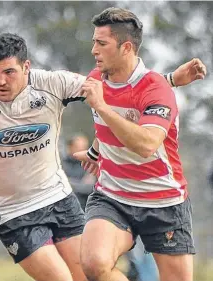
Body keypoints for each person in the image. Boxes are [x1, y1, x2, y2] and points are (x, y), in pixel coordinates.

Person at [0, 32, 206, 281]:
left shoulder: (53, 83)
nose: (0, 81)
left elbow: (114, 90)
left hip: (59, 199)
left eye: (9, 72)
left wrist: (169, 80)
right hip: (12, 211)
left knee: (89, 274)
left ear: (27, 67)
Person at [74, 7, 207, 281]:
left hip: (163, 202)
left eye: (101, 43)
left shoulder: (156, 89)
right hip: (112, 196)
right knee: (93, 264)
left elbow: (146, 144)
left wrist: (101, 105)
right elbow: (116, 113)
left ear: (125, 47)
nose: (93, 51)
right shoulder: (96, 78)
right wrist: (94, 151)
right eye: (93, 42)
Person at [62, 134, 96, 209]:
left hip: (85, 207)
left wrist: (68, 183)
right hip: (65, 207)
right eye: (78, 147)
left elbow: (90, 188)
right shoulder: (61, 164)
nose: (82, 150)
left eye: (84, 147)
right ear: (70, 147)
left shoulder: (91, 166)